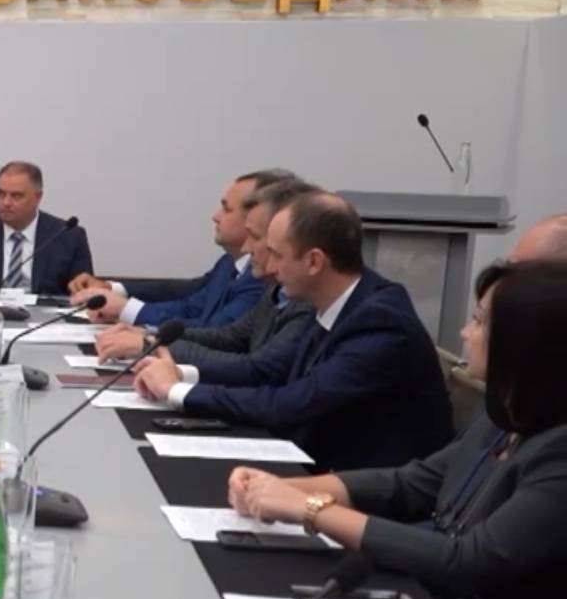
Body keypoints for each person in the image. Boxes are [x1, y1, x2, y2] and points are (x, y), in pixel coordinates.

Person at [229, 260, 567, 599]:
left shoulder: (559, 452)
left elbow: (468, 562)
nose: (464, 333)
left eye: (479, 321)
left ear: (525, 343)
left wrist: (311, 509)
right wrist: (286, 487)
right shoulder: (505, 417)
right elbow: (413, 483)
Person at [134, 191, 452, 470]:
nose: (269, 268)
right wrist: (181, 375)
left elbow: (292, 402)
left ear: (314, 262)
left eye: (277, 255)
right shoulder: (332, 301)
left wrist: (176, 391)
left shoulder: (380, 321)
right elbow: (269, 374)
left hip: (358, 490)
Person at [95, 178, 319, 364]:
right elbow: (226, 334)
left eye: (255, 235)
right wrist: (151, 337)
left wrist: (150, 345)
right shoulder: (264, 286)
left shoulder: (293, 298)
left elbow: (256, 369)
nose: (247, 248)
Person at [70, 169, 291, 327]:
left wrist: (127, 311)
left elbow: (215, 331)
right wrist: (116, 296)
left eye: (227, 209)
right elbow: (188, 305)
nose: (215, 216)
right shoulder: (229, 263)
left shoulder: (262, 278)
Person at [0, 161, 93, 296]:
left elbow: (85, 294)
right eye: (1, 194)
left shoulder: (69, 236)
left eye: (16, 196)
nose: (6, 202)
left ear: (38, 197)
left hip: (47, 315)